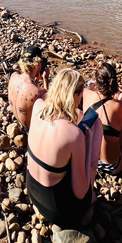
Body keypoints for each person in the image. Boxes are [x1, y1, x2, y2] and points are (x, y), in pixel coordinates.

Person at [26, 69, 102, 229]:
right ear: (75, 95)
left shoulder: (38, 105)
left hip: (33, 191)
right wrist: (86, 145)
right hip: (58, 210)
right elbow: (80, 192)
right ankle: (92, 200)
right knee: (96, 124)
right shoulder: (73, 135)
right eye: (80, 96)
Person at [83, 62, 122, 175]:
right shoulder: (121, 105)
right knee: (121, 126)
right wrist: (117, 92)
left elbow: (89, 88)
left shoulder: (86, 93)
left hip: (88, 159)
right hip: (113, 166)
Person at [8, 45, 49, 131]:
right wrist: (45, 79)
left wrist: (36, 81)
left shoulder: (13, 76)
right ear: (38, 64)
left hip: (19, 120)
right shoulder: (38, 92)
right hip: (32, 129)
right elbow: (49, 104)